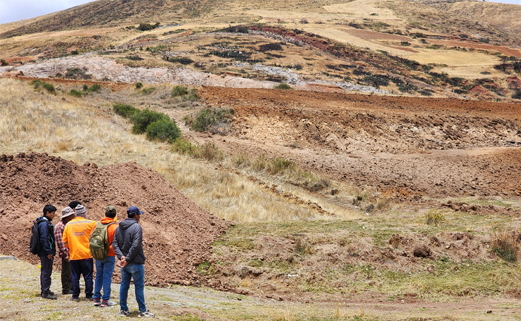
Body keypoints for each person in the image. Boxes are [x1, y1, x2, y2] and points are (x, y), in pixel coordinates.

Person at [113, 206, 154, 318]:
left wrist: (121, 257)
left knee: (124, 286)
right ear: (135, 215)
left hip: (125, 264)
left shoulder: (119, 227)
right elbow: (135, 245)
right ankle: (143, 310)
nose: (139, 217)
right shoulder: (137, 227)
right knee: (139, 287)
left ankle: (123, 309)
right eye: (139, 215)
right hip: (135, 262)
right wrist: (126, 259)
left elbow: (114, 244)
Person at [63, 204, 97, 301]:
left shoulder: (68, 225)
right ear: (84, 214)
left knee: (75, 276)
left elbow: (64, 241)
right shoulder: (92, 223)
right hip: (87, 254)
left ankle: (75, 295)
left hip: (74, 255)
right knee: (88, 276)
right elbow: (96, 238)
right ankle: (89, 295)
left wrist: (72, 246)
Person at [93, 205, 118, 307]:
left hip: (98, 254)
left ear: (105, 214)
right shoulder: (115, 227)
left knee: (98, 275)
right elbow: (117, 242)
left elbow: (92, 238)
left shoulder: (97, 225)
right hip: (110, 255)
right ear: (115, 215)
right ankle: (105, 300)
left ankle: (96, 298)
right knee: (107, 277)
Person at [37, 204, 57, 300]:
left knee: (46, 270)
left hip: (45, 251)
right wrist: (49, 251)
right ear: (47, 213)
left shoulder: (43, 222)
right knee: (46, 271)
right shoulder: (44, 224)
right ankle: (45, 291)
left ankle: (46, 289)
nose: (54, 215)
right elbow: (44, 238)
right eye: (52, 213)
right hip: (46, 252)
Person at [54, 207, 75, 295]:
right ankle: (66, 288)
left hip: (72, 251)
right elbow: (60, 242)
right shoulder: (60, 226)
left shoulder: (68, 225)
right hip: (66, 252)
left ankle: (71, 287)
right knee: (66, 270)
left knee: (71, 270)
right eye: (71, 216)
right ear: (67, 217)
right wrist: (65, 253)